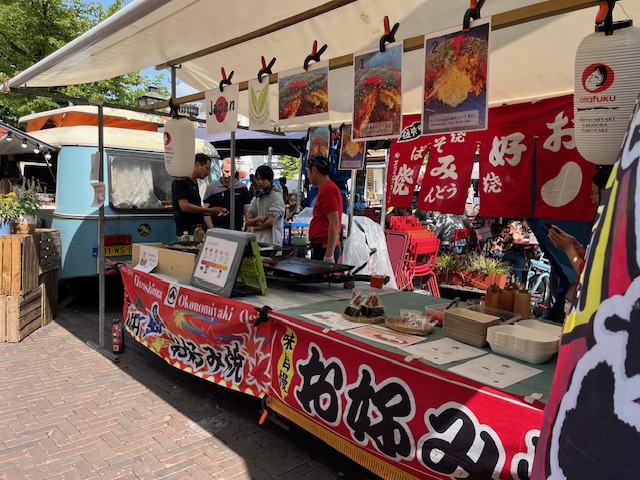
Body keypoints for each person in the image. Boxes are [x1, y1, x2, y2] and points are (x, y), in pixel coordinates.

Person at [547, 168, 611, 275]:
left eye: (595, 193)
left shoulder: (613, 228)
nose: (592, 199)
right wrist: (580, 252)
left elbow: (587, 274)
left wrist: (569, 248)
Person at [171, 153, 228, 237]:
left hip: (197, 230)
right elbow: (184, 206)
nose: (208, 173)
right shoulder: (180, 181)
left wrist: (215, 212)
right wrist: (210, 210)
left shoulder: (194, 183)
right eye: (207, 168)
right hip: (186, 233)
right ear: (197, 165)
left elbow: (195, 208)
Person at [306, 154, 342, 263]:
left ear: (314, 170)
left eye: (308, 172)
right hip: (322, 245)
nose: (308, 176)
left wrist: (329, 255)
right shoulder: (326, 188)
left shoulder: (328, 189)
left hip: (325, 246)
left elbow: (334, 222)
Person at [203, 157, 251, 231]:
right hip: (218, 228)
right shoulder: (212, 188)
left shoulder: (242, 188)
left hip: (236, 228)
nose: (229, 175)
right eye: (226, 171)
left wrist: (248, 228)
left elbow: (247, 210)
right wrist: (212, 230)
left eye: (231, 172)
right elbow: (205, 211)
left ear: (235, 171)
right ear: (221, 169)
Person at [245, 165, 286, 246]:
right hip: (257, 242)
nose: (260, 182)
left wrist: (255, 227)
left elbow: (270, 222)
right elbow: (248, 221)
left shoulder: (276, 196)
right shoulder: (256, 198)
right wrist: (258, 218)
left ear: (270, 180)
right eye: (258, 179)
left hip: (272, 243)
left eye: (263, 179)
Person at [491, 219, 526, 283]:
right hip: (497, 250)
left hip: (504, 249)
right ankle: (518, 282)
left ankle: (518, 280)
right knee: (519, 259)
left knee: (521, 257)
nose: (528, 225)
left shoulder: (518, 225)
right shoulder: (516, 224)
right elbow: (515, 237)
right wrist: (523, 236)